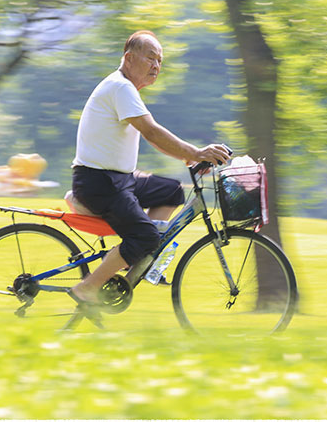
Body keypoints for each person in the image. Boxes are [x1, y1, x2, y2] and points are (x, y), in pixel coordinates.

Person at [69, 30, 231, 307]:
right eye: (151, 58)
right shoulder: (120, 87)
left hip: (117, 179)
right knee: (145, 235)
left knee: (171, 192)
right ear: (129, 59)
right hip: (100, 183)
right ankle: (88, 288)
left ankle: (133, 268)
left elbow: (150, 136)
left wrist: (189, 158)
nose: (156, 66)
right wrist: (195, 152)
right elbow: (152, 132)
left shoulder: (124, 88)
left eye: (160, 61)